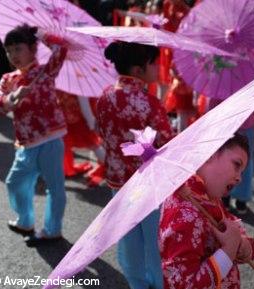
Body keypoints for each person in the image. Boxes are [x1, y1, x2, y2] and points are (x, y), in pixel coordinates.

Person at [97, 41, 174, 289]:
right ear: (139, 70)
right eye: (154, 62)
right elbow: (166, 143)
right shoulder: (148, 102)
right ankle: (159, 282)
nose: (158, 67)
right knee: (154, 239)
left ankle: (137, 283)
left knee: (128, 236)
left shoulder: (105, 95)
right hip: (148, 182)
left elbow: (106, 135)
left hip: (119, 180)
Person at [0, 24, 69, 246]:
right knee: (14, 183)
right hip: (25, 143)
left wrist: (39, 33)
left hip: (51, 139)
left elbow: (61, 50)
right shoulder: (8, 79)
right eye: (9, 50)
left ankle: (52, 229)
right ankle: (25, 221)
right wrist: (12, 98)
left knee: (55, 188)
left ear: (33, 49)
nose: (13, 55)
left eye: (18, 48)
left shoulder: (46, 70)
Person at [159, 133, 254, 289]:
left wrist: (243, 243)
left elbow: (226, 222)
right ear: (210, 153)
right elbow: (182, 284)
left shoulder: (205, 195)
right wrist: (229, 250)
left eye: (242, 171)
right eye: (236, 165)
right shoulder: (185, 214)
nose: (239, 178)